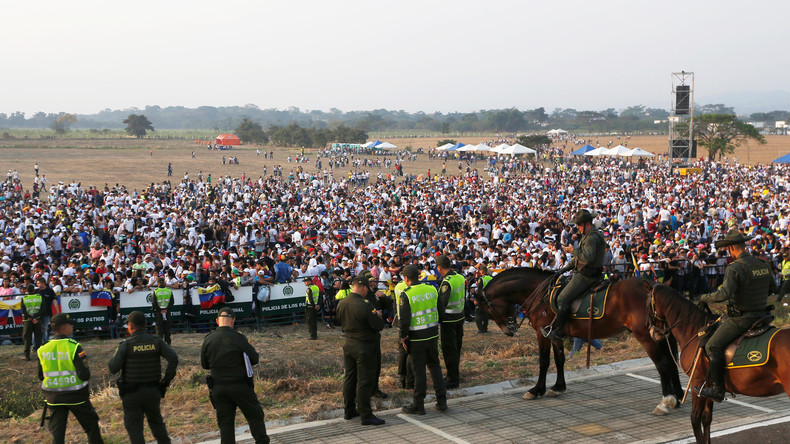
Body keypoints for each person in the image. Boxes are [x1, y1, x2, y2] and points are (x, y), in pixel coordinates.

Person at [695, 229, 776, 402]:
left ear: (731, 248)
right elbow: (773, 289)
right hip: (763, 315)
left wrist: (703, 297)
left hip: (742, 319)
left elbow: (723, 294)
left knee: (712, 345)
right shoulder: (763, 264)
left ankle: (717, 389)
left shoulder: (735, 267)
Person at [108, 311, 179, 444]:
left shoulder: (126, 344)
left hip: (131, 393)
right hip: (153, 391)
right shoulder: (156, 341)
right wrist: (166, 380)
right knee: (157, 423)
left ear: (131, 326)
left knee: (134, 428)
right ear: (145, 324)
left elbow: (113, 368)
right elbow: (173, 359)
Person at [200, 307, 269, 444]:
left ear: (217, 321)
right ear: (233, 320)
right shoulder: (239, 338)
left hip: (219, 388)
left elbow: (204, 365)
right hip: (240, 386)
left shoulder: (208, 340)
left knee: (225, 424)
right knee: (255, 417)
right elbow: (254, 358)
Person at [37, 313, 104, 444]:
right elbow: (84, 374)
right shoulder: (73, 346)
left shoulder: (43, 348)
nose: (72, 326)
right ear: (64, 327)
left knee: (58, 433)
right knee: (91, 427)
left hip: (53, 397)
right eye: (70, 324)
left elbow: (40, 375)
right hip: (76, 396)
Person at [542, 209, 607, 342]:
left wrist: (573, 250)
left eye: (578, 225)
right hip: (585, 272)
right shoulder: (590, 234)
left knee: (562, 299)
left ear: (586, 223)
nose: (577, 228)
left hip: (586, 276)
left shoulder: (591, 238)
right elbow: (578, 260)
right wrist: (563, 269)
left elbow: (586, 258)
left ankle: (559, 333)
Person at [336, 273, 386, 426]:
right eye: (367, 288)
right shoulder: (365, 305)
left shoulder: (342, 303)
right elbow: (378, 326)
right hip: (364, 345)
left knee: (350, 378)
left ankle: (349, 410)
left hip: (348, 343)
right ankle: (366, 414)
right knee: (364, 380)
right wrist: (378, 316)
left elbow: (340, 321)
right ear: (364, 287)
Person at [399, 264, 447, 415]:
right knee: (435, 367)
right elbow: (440, 309)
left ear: (406, 278)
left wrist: (402, 337)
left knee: (419, 372)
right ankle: (442, 401)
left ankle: (418, 405)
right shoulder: (432, 289)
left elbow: (405, 320)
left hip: (416, 338)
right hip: (432, 335)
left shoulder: (406, 294)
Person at [435, 255, 465, 389]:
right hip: (460, 317)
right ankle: (454, 373)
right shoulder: (459, 277)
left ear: (439, 268)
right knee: (456, 348)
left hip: (449, 320)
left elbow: (442, 303)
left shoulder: (447, 282)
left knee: (449, 350)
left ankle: (453, 379)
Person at [21, 283, 43, 361]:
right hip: (37, 320)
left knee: (27, 338)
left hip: (28, 320)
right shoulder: (39, 297)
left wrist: (30, 317)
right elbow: (43, 309)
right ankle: (39, 355)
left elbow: (23, 310)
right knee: (38, 338)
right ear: (34, 290)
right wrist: (35, 317)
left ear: (26, 290)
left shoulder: (24, 298)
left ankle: (27, 356)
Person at [153, 278, 174, 344]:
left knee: (159, 328)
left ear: (158, 283)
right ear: (164, 283)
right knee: (167, 327)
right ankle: (168, 342)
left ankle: (160, 343)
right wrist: (166, 309)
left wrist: (160, 310)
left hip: (159, 312)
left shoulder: (156, 291)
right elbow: (172, 302)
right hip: (167, 312)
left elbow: (154, 303)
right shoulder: (169, 290)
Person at [475, 267, 493, 333]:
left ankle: (480, 329)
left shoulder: (481, 279)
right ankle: (485, 328)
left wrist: (476, 299)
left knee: (478, 314)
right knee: (486, 314)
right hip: (488, 298)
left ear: (482, 272)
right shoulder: (491, 278)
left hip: (482, 298)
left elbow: (479, 290)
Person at [304, 275, 320, 340]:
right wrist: (317, 305)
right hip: (315, 306)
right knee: (314, 321)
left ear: (309, 281)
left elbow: (310, 299)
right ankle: (315, 334)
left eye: (306, 281)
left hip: (310, 307)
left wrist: (314, 305)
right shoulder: (316, 287)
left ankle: (312, 335)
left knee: (310, 321)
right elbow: (319, 297)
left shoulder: (309, 289)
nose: (305, 283)